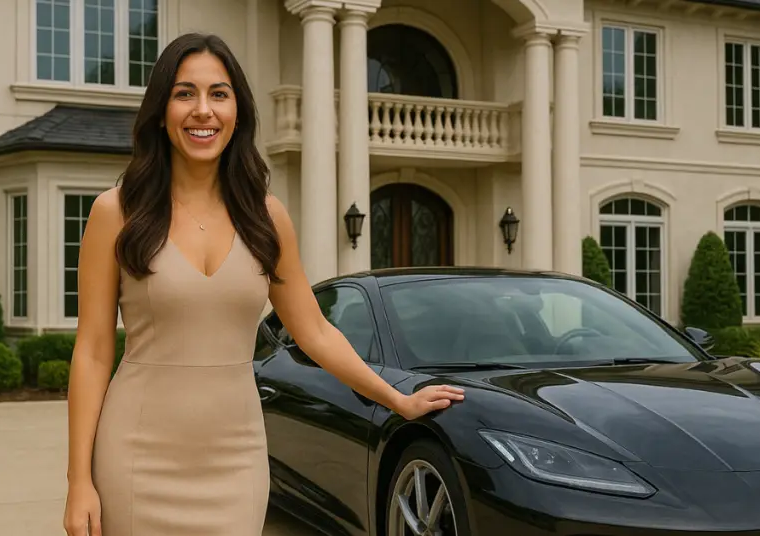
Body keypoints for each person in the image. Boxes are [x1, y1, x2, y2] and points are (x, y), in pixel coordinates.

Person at [62, 32, 465, 536]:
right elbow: (94, 351)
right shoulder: (115, 213)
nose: (202, 110)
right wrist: (80, 479)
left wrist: (397, 399)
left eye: (219, 94)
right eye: (184, 93)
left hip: (236, 457)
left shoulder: (266, 218)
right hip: (136, 453)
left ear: (238, 111)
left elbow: (315, 332)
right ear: (161, 110)